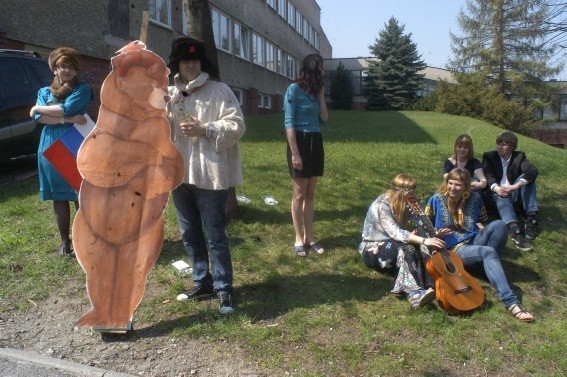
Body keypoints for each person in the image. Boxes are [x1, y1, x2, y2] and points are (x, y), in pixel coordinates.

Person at [167, 36, 245, 314]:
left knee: (215, 235)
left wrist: (206, 129)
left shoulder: (219, 90)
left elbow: (237, 125)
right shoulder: (170, 94)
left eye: (195, 60)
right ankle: (202, 281)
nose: (190, 65)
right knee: (189, 233)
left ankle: (224, 288)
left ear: (201, 62)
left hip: (210, 175)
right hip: (179, 174)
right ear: (177, 63)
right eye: (185, 60)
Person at [424, 168, 534, 322]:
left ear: (465, 187)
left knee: (500, 225)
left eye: (458, 185)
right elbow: (425, 226)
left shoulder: (474, 198)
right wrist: (436, 233)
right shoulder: (436, 199)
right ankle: (511, 301)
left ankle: (488, 268)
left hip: (474, 239)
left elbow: (481, 218)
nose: (453, 188)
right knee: (487, 252)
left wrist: (483, 230)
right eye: (450, 183)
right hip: (455, 249)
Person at [29, 47, 93, 257]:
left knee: (80, 194)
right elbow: (40, 119)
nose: (66, 70)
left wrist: (38, 108)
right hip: (49, 145)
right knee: (59, 196)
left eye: (71, 67)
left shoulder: (82, 90)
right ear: (55, 69)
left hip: (75, 142)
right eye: (62, 66)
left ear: (76, 70)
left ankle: (85, 241)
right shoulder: (44, 92)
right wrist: (64, 119)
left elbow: (64, 109)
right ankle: (65, 243)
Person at [358, 174, 445, 309]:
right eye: (411, 192)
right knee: (408, 248)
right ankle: (414, 294)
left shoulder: (405, 202)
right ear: (400, 192)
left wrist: (431, 229)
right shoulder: (381, 205)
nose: (414, 195)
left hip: (394, 243)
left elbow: (420, 222)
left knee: (420, 235)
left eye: (414, 191)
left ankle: (431, 282)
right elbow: (397, 233)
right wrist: (425, 240)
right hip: (373, 248)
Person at [284, 53, 328, 257]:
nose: (323, 72)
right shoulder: (293, 89)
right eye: (321, 68)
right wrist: (295, 153)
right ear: (313, 70)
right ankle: (298, 238)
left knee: (310, 194)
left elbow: (324, 119)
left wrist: (320, 95)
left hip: (315, 141)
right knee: (299, 194)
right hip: (299, 142)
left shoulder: (316, 92)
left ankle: (310, 237)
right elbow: (289, 122)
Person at [482, 131, 539, 251]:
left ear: (512, 146)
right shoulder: (489, 156)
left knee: (528, 181)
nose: (499, 147)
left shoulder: (519, 157)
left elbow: (532, 170)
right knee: (502, 195)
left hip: (513, 194)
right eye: (498, 143)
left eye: (504, 144)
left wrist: (516, 186)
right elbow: (488, 175)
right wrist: (497, 189)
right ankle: (515, 230)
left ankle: (531, 219)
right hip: (495, 196)